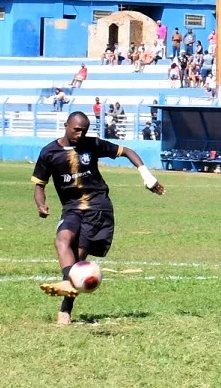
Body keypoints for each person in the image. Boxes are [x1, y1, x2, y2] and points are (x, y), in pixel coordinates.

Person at [32, 109, 164, 325]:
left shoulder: (92, 145)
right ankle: (68, 283)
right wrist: (41, 204)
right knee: (62, 240)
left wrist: (147, 176)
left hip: (97, 208)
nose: (80, 135)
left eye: (84, 131)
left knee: (78, 258)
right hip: (72, 208)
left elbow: (127, 151)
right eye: (76, 130)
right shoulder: (49, 153)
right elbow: (39, 185)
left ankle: (65, 309)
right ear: (66, 125)